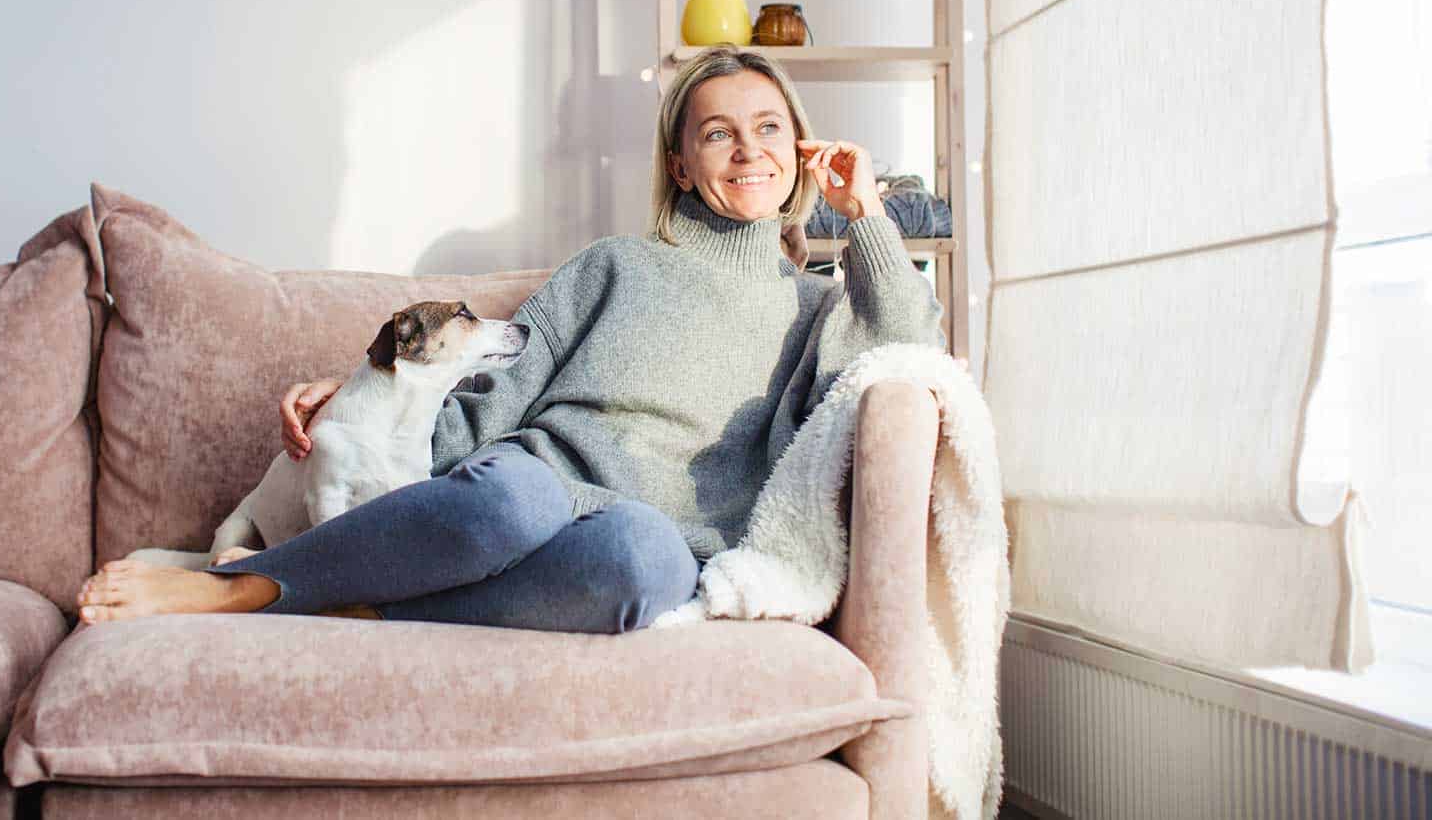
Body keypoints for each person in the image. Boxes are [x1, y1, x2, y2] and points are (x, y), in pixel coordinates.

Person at [74, 44, 945, 633]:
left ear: (799, 146)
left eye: (768, 129)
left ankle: (358, 596)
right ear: (681, 164)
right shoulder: (614, 267)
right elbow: (492, 390)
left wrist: (863, 211)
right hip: (520, 494)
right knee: (513, 497)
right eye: (717, 132)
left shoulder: (814, 309)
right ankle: (244, 588)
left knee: (643, 564)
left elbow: (909, 344)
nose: (747, 150)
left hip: (639, 536)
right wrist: (364, 398)